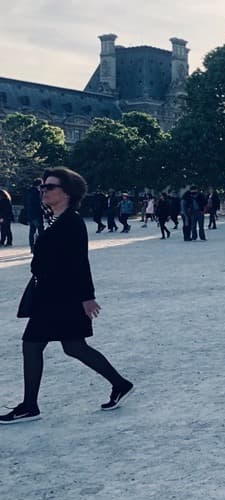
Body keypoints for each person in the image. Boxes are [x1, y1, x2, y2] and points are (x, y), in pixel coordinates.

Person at [0, 167, 134, 424]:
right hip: (52, 293)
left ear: (67, 193)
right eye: (43, 186)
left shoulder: (71, 222)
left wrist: (87, 296)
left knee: (33, 345)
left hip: (61, 296)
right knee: (73, 346)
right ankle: (120, 383)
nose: (44, 190)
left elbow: (79, 262)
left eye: (50, 187)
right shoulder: (55, 218)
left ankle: (29, 406)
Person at [25, 178, 44, 251]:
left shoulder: (29, 192)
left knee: (32, 232)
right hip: (36, 214)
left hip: (30, 214)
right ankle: (41, 246)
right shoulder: (36, 192)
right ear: (39, 185)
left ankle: (32, 247)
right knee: (40, 231)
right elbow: (37, 204)